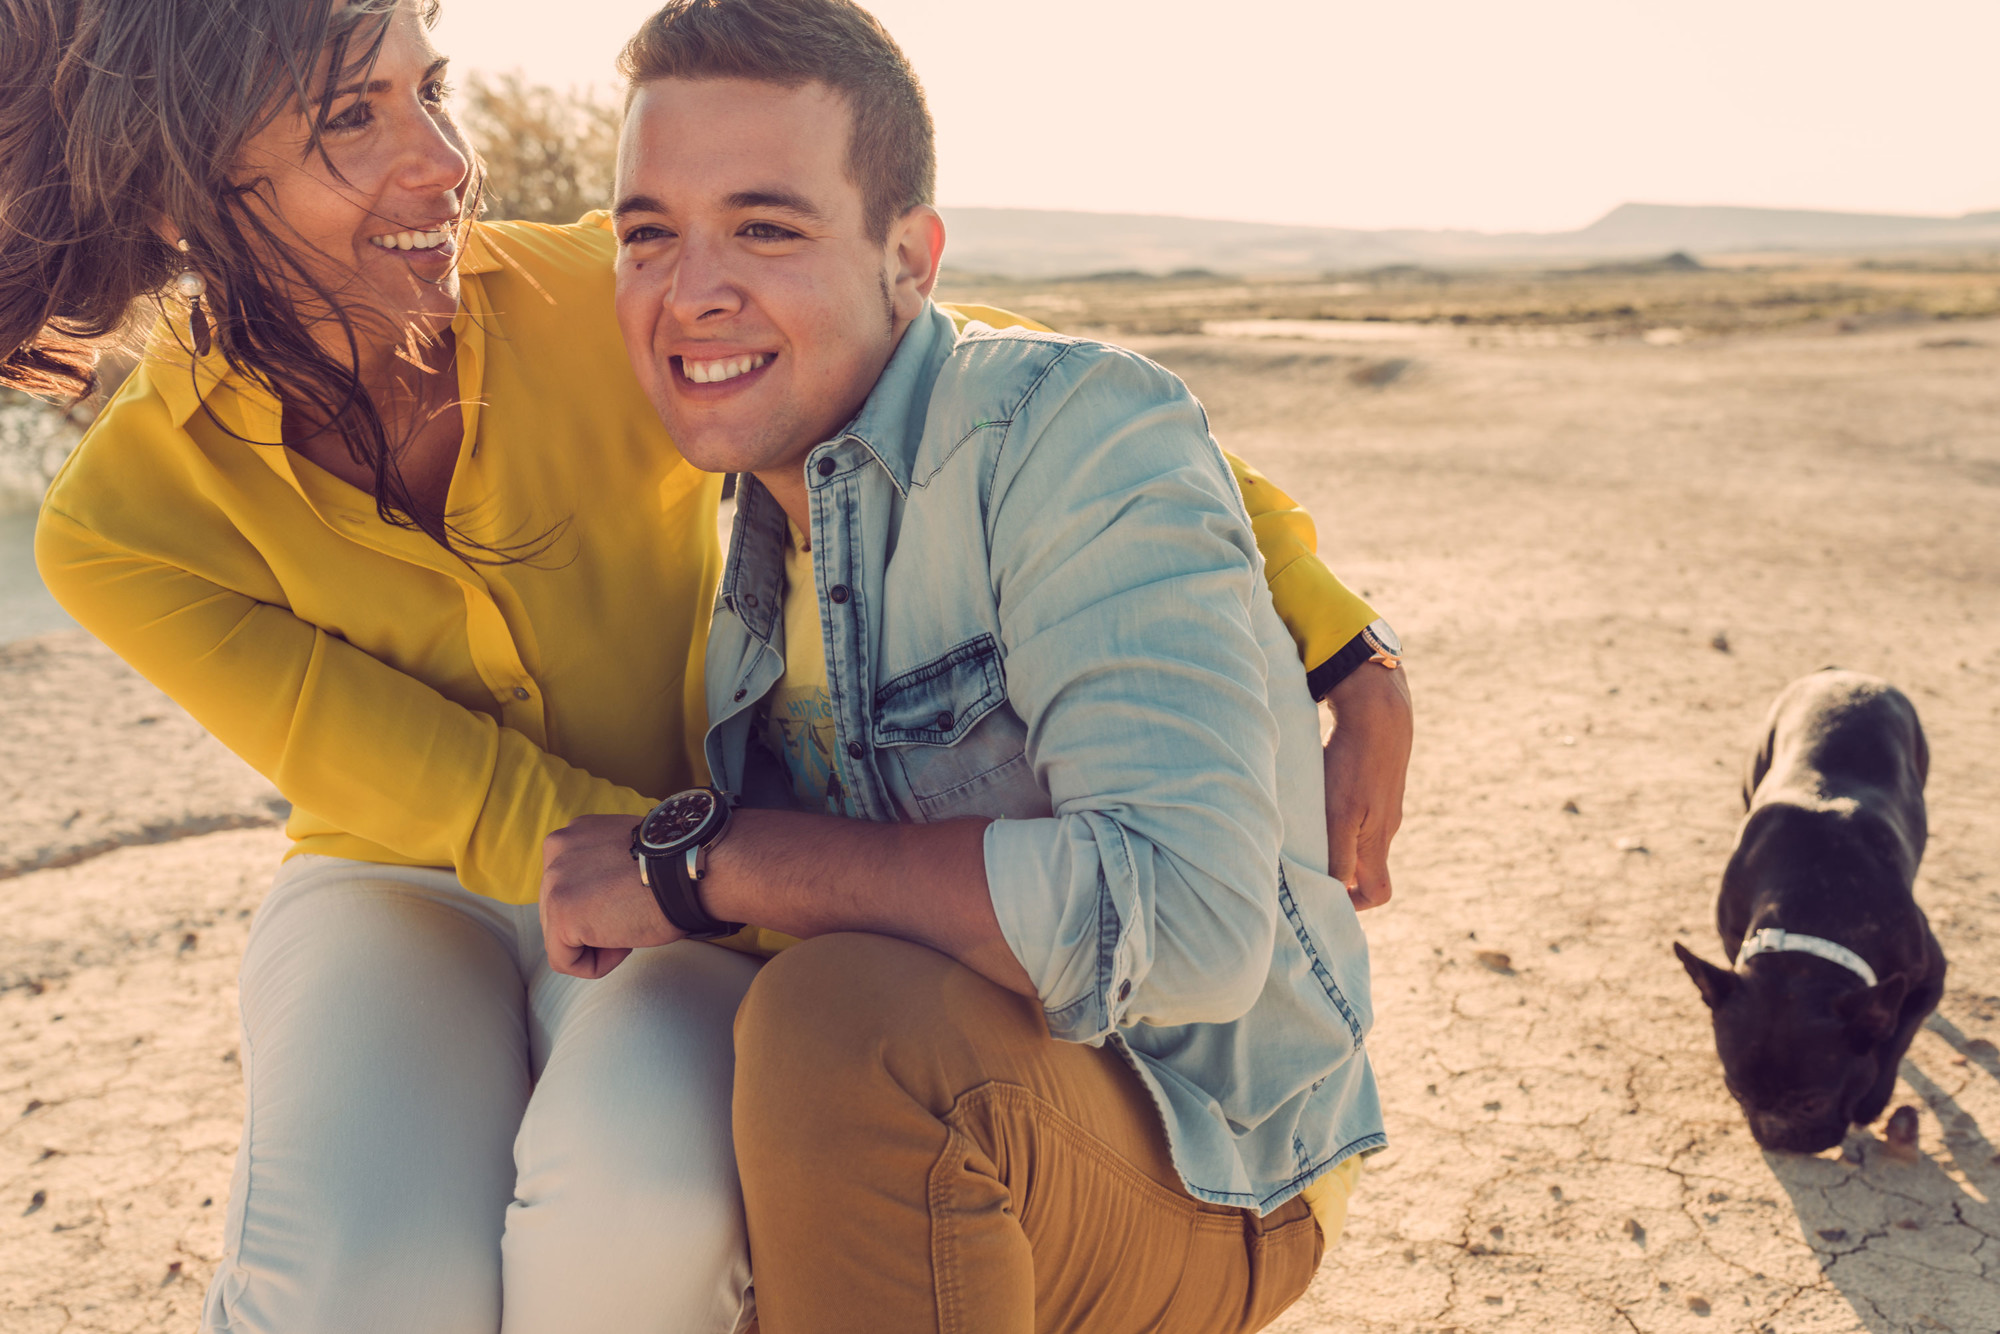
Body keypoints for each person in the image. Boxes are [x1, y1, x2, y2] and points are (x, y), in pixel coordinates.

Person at [0, 0, 1408, 1330]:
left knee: (640, 1202)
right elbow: (447, 786)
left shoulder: (597, 303)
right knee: (359, 1281)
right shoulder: (122, 521)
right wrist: (704, 870)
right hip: (404, 877)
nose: (443, 162)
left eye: (428, 88)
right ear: (189, 196)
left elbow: (1009, 382)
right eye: (348, 121)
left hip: (686, 857)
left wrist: (1336, 627)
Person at [539, 3, 1397, 1331]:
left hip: (1212, 1156)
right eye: (647, 232)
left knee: (843, 1024)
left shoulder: (1069, 435)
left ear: (911, 260)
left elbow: (1190, 922)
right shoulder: (744, 533)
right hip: (982, 1109)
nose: (688, 287)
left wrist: (712, 860)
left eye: (765, 226)